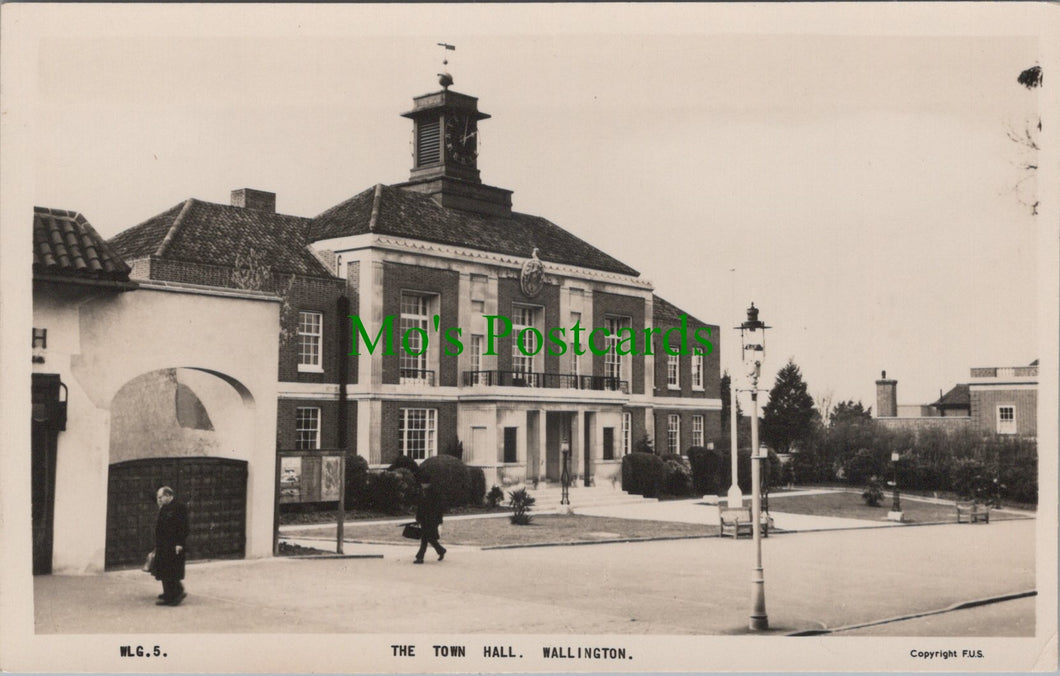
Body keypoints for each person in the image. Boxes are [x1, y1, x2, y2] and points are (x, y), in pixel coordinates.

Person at [153, 486, 188, 605]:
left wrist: (179, 543)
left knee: (171, 570)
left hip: (173, 545)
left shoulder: (179, 507)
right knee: (164, 569)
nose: (159, 499)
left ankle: (176, 594)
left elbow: (183, 527)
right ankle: (168, 593)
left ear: (168, 495)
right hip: (163, 544)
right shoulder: (165, 507)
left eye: (160, 497)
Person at [413, 481, 446, 564]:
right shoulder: (421, 492)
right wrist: (418, 517)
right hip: (424, 519)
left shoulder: (434, 493)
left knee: (425, 538)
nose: (422, 484)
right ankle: (441, 550)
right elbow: (419, 506)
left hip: (432, 519)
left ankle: (420, 557)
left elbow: (439, 507)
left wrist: (439, 519)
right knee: (429, 538)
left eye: (424, 483)